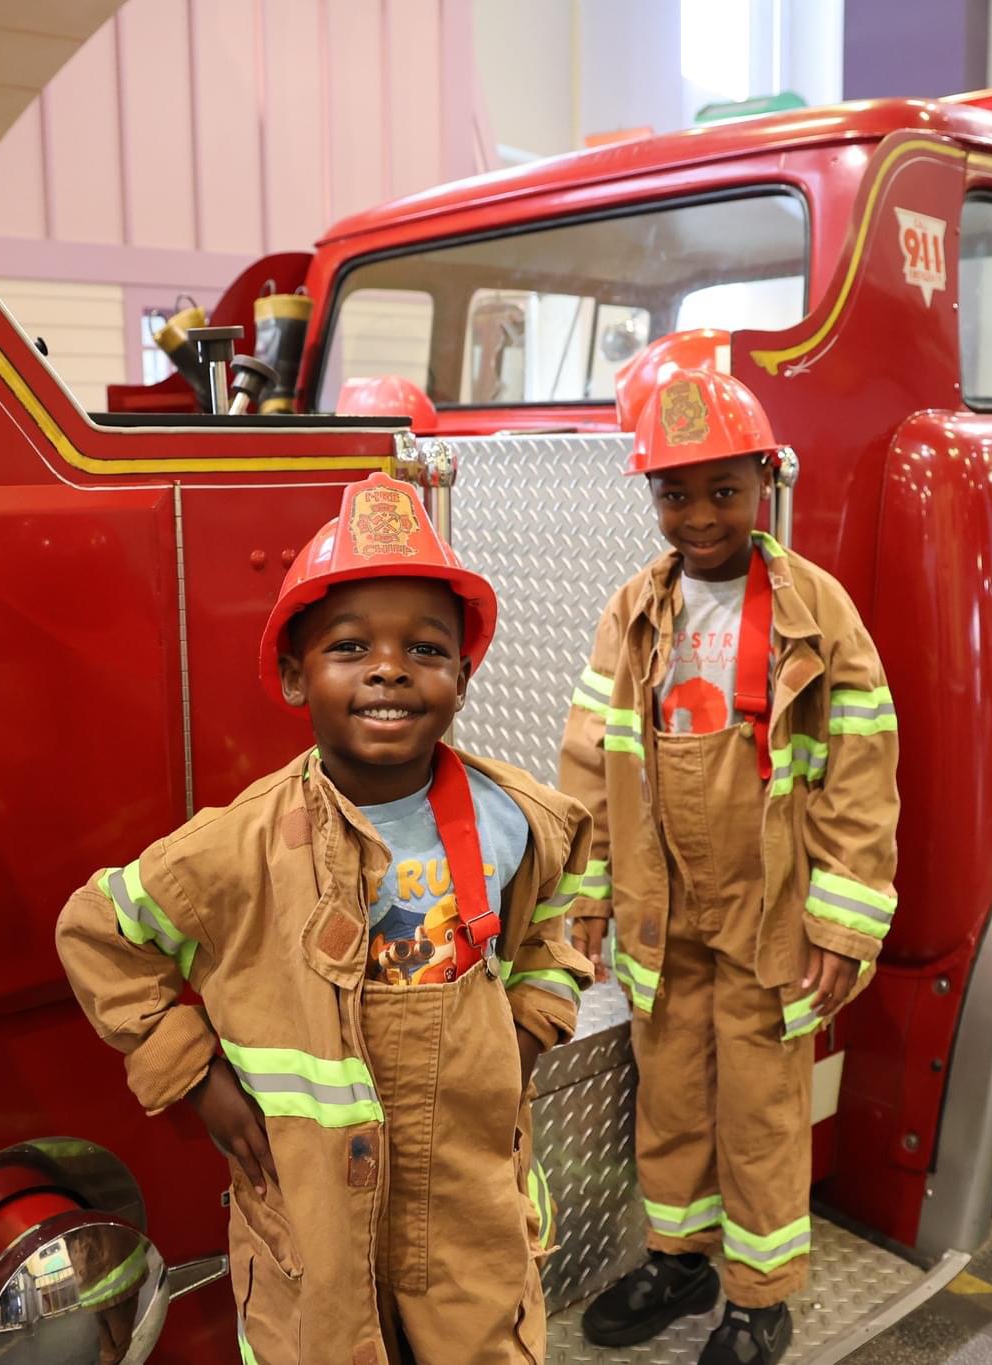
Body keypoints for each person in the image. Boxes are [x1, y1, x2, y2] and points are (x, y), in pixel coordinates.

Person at [57, 471, 597, 1365]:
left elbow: (555, 918)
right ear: (292, 675)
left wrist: (533, 1021)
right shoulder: (241, 846)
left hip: (465, 1189)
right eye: (350, 647)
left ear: (464, 675)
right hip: (308, 1201)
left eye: (425, 648)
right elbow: (98, 931)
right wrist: (196, 1077)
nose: (389, 667)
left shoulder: (519, 817)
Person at [558, 369, 900, 1365]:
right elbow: (589, 755)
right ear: (649, 497)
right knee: (667, 1093)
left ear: (763, 481)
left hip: (767, 918)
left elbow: (860, 768)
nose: (697, 516)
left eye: (721, 490)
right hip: (661, 914)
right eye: (672, 494)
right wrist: (588, 888)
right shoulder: (634, 609)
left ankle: (758, 1298)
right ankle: (678, 1258)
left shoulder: (814, 611)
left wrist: (839, 922)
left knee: (757, 1110)